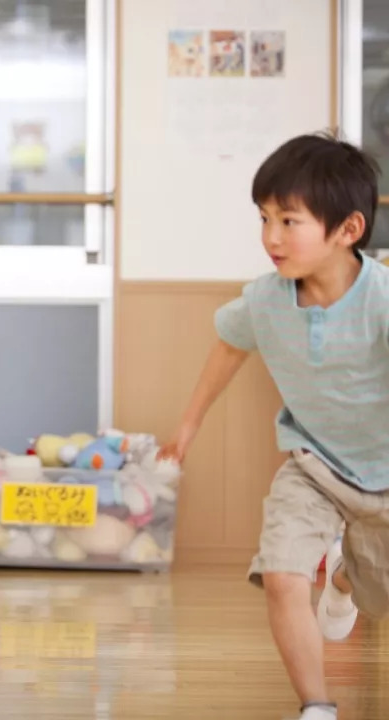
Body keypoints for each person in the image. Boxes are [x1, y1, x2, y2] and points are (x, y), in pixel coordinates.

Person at [159, 132, 389, 720]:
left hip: (384, 472)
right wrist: (188, 427)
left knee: (378, 591)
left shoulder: (382, 299)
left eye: (289, 221)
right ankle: (317, 707)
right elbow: (229, 348)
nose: (271, 237)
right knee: (284, 574)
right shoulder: (265, 300)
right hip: (312, 464)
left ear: (348, 229)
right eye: (264, 218)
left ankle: (345, 579)